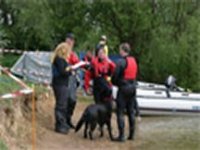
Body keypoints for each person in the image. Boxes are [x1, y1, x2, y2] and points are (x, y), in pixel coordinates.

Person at [112, 43, 138, 142]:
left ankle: (121, 136)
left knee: (120, 112)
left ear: (122, 50)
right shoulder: (134, 61)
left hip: (123, 89)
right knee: (131, 111)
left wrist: (115, 83)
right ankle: (131, 135)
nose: (119, 51)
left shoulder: (121, 62)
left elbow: (115, 76)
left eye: (120, 50)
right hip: (132, 88)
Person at [51, 42, 72, 134]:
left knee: (63, 104)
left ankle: (62, 123)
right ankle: (59, 125)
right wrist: (70, 71)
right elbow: (63, 72)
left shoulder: (61, 60)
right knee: (61, 105)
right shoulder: (59, 60)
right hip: (60, 84)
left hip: (62, 84)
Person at [65, 33, 80, 129]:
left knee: (73, 100)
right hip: (65, 77)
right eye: (69, 40)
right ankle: (64, 120)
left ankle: (68, 118)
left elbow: (77, 63)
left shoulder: (74, 54)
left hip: (73, 77)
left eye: (72, 41)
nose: (71, 42)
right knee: (66, 99)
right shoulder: (62, 51)